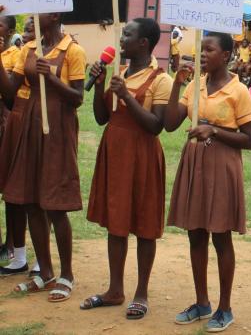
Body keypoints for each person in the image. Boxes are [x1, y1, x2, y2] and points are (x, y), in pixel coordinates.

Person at [81, 18, 172, 318]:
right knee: (116, 222)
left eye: (127, 35)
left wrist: (126, 97)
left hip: (142, 155)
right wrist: (99, 85)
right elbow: (100, 118)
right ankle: (115, 289)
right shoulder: (118, 73)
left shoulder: (161, 79)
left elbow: (156, 126)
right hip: (115, 153)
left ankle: (141, 293)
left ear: (143, 43)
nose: (121, 40)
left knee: (144, 224)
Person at [164, 32, 251, 332]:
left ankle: (224, 307)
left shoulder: (238, 91)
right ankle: (202, 302)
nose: (203, 54)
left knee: (220, 235)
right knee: (196, 233)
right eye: (202, 49)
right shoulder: (195, 85)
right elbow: (170, 123)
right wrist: (177, 82)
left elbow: (249, 140)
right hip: (195, 164)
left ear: (226, 55)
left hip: (222, 165)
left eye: (210, 50)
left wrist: (213, 130)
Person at [0, 12, 86, 302]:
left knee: (55, 203)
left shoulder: (73, 50)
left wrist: (49, 77)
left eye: (44, 9)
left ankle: (67, 274)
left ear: (57, 15)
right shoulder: (29, 48)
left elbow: (77, 98)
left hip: (58, 126)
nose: (37, 14)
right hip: (30, 123)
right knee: (31, 201)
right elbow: (11, 91)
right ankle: (45, 271)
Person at [0, 12, 21, 265]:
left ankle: (11, 243)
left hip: (4, 120)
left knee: (8, 185)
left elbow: (9, 92)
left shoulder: (14, 55)